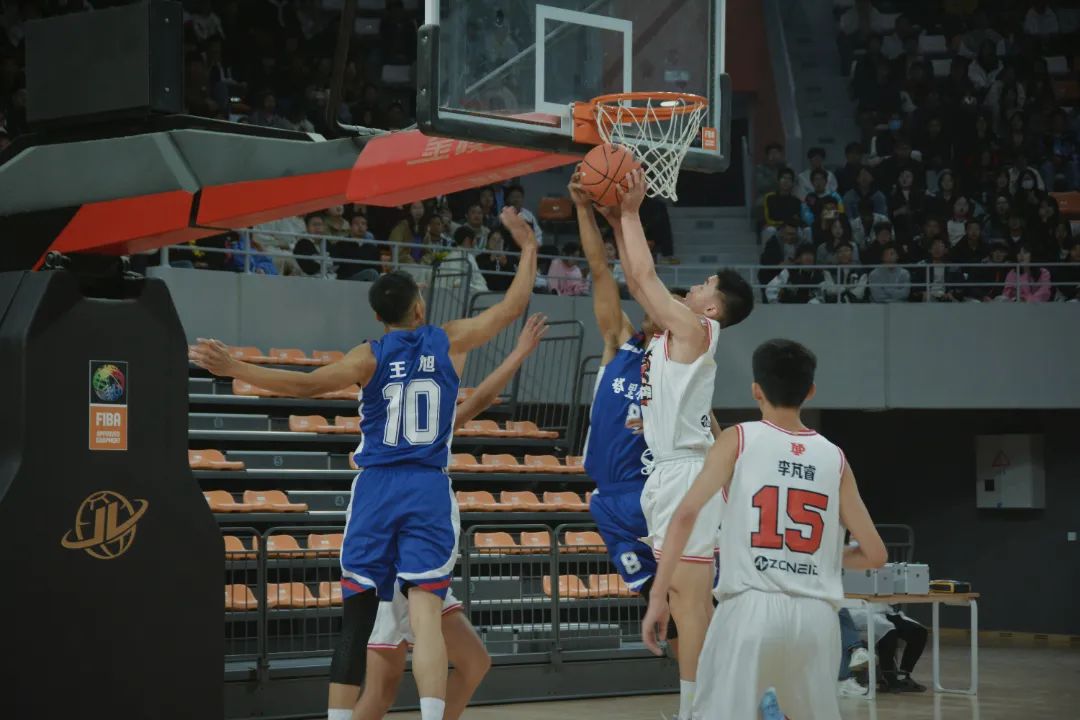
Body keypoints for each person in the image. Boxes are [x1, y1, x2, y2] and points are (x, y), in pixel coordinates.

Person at [189, 206, 539, 720]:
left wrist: (233, 366)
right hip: (426, 486)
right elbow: (512, 307)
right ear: (420, 306)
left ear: (379, 317)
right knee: (425, 616)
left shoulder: (367, 356)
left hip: (376, 487)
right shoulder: (447, 339)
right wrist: (527, 247)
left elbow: (304, 386)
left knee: (356, 614)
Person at [642, 339, 887, 719]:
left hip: (750, 607)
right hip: (816, 617)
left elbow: (685, 515)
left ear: (756, 390)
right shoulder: (834, 457)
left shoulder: (737, 439)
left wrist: (659, 595)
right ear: (811, 391)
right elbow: (876, 554)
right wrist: (822, 555)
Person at [343, 315, 548, 720]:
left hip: (414, 546)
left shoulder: (428, 416)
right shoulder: (382, 429)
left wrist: (519, 353)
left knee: (474, 661)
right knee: (380, 693)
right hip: (390, 558)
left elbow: (478, 401)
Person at [617, 169, 755, 720]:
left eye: (703, 286)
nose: (694, 287)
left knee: (691, 602)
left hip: (685, 474)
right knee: (680, 599)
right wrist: (616, 219)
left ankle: (700, 711)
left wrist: (629, 213)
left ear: (712, 309)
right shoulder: (682, 332)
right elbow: (637, 283)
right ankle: (708, 705)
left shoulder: (696, 329)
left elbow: (643, 278)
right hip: (668, 470)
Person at [568, 172, 667, 647]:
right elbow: (599, 270)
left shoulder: (678, 364)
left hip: (657, 493)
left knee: (690, 595)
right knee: (656, 603)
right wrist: (584, 210)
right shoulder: (621, 342)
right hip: (609, 495)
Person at [765, 244, 830, 304]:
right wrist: (776, 305)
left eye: (811, 254)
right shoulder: (788, 271)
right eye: (805, 254)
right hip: (787, 309)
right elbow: (771, 288)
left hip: (812, 311)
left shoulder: (821, 274)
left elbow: (823, 297)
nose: (808, 257)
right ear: (799, 258)